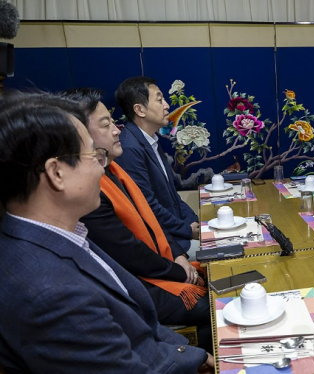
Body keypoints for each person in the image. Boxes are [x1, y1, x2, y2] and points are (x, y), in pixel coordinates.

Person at [0, 92, 214, 373]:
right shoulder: (53, 294)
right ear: (57, 173)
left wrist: (196, 357)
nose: (103, 168)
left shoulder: (66, 234)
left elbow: (143, 327)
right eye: (94, 155)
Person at [59, 88, 211, 351]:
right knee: (214, 305)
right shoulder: (90, 188)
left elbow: (151, 219)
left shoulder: (115, 169)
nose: (118, 130)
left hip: (157, 265)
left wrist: (178, 255)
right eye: (106, 125)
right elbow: (128, 251)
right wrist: (178, 270)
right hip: (138, 283)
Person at [115, 76, 199, 253]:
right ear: (140, 110)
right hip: (163, 243)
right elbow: (147, 206)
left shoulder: (149, 139)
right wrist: (187, 230)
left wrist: (193, 222)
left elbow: (172, 195)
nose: (167, 105)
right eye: (160, 100)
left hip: (177, 234)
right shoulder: (130, 148)